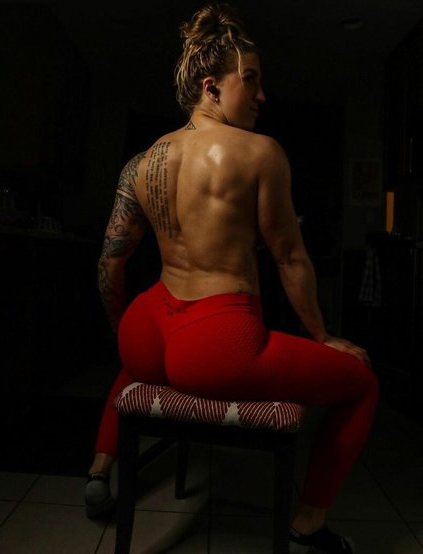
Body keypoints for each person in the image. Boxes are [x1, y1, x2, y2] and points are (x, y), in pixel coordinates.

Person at [85, 4, 378, 553]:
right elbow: (290, 257)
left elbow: (110, 263)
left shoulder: (142, 162)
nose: (262, 96)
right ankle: (309, 523)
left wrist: (119, 328)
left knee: (135, 361)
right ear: (211, 87)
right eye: (252, 81)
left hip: (148, 328)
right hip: (216, 343)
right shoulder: (261, 153)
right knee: (361, 383)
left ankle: (99, 469)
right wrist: (322, 336)